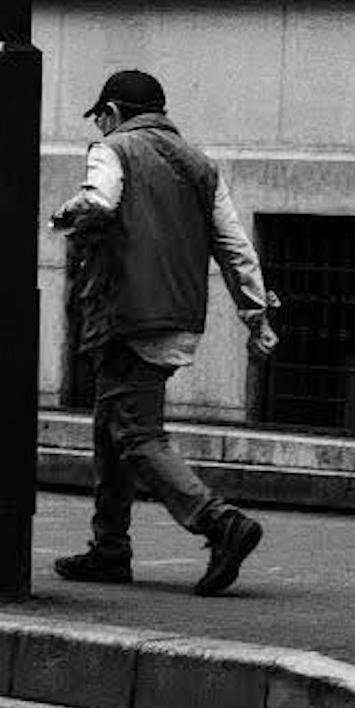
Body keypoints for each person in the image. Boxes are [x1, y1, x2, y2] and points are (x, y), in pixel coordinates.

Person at [47, 69, 279, 595]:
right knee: (112, 431)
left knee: (135, 434)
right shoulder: (200, 165)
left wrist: (60, 217)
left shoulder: (113, 149)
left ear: (110, 112)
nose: (103, 128)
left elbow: (99, 202)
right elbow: (235, 247)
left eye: (103, 119)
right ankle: (110, 550)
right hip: (178, 316)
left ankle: (219, 522)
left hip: (126, 315)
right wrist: (255, 314)